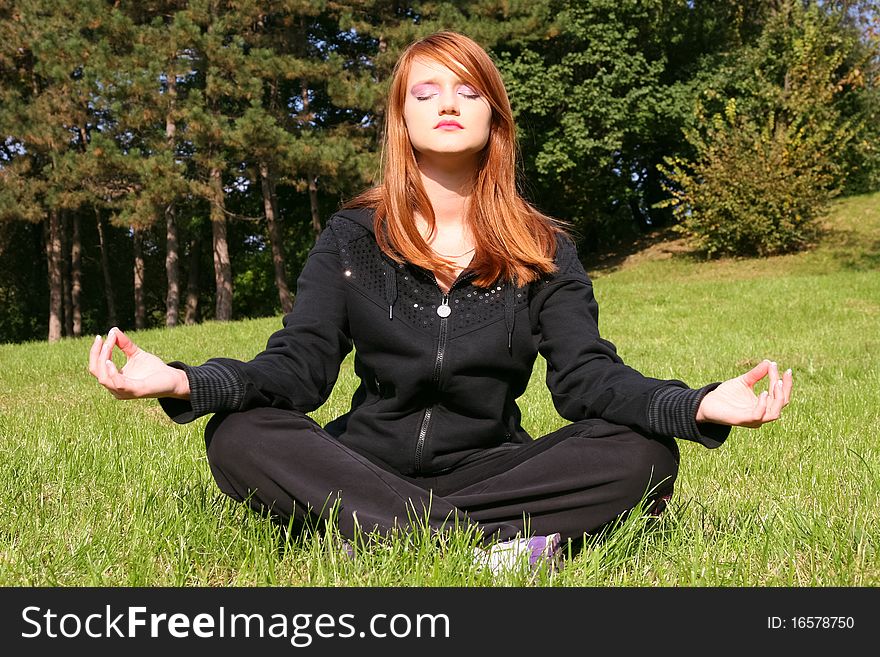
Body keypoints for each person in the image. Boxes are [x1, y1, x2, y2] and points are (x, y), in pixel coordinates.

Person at [88, 31, 792, 571]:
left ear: (495, 115)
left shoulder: (543, 247)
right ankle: (482, 552)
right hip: (363, 465)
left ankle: (387, 535)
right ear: (401, 118)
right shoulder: (350, 237)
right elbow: (299, 365)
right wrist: (188, 381)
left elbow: (588, 379)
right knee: (238, 435)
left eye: (467, 92)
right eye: (425, 93)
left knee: (645, 454)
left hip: (493, 468)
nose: (448, 104)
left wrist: (693, 403)